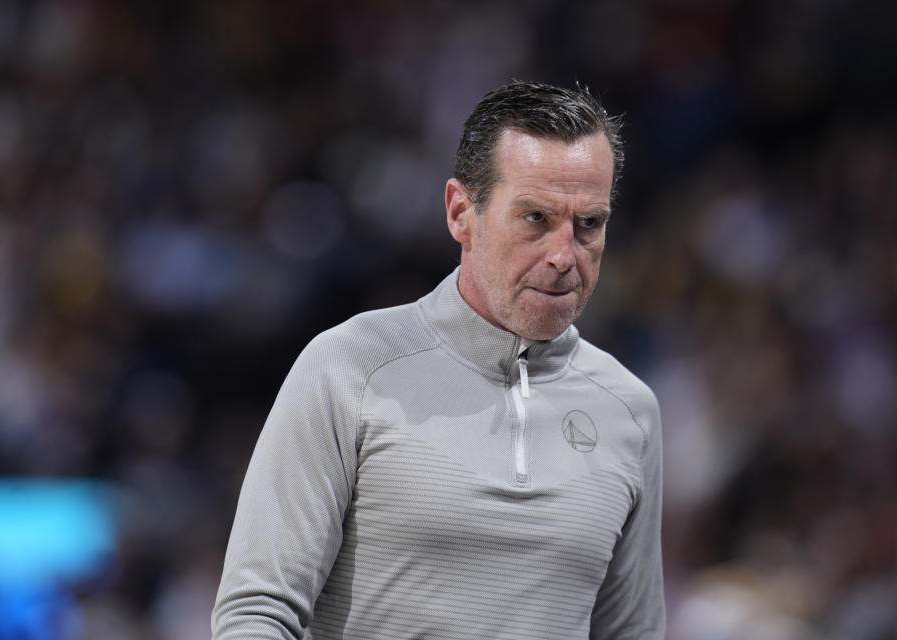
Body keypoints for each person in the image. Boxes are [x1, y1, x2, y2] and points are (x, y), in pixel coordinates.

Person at [212, 80, 664, 639]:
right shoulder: (347, 367)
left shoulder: (630, 411)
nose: (563, 255)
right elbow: (257, 614)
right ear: (460, 213)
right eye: (535, 219)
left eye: (589, 224)